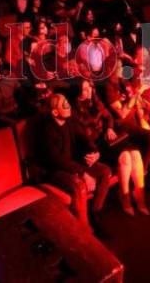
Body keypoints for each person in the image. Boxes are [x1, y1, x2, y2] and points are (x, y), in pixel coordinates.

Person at [37, 93, 112, 231]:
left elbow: (84, 139)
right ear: (55, 112)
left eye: (67, 102)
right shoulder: (46, 130)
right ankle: (84, 229)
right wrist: (82, 173)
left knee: (105, 172)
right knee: (79, 186)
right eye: (64, 106)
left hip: (73, 163)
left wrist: (94, 152)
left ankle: (95, 213)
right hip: (54, 170)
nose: (69, 106)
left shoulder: (71, 119)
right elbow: (57, 160)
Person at [73, 80, 148, 216]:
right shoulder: (75, 111)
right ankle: (125, 198)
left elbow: (109, 118)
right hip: (96, 146)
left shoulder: (95, 101)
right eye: (84, 89)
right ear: (78, 93)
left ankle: (140, 197)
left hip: (107, 140)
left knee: (136, 153)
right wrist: (95, 152)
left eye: (89, 87)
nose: (89, 91)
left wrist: (109, 128)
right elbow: (81, 139)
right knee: (125, 158)